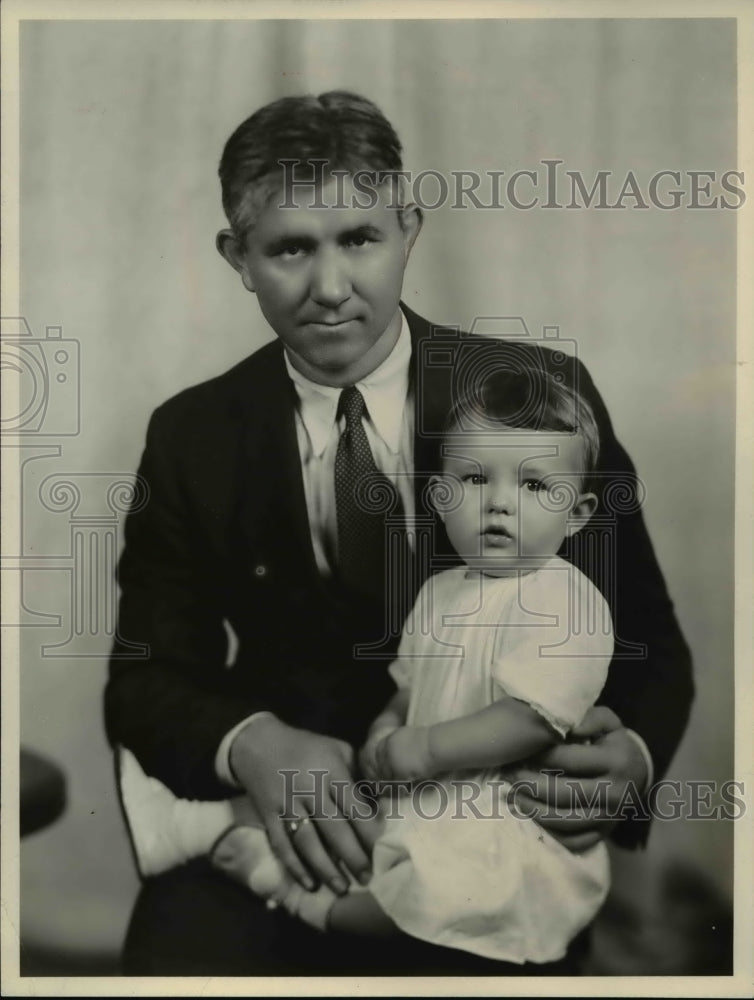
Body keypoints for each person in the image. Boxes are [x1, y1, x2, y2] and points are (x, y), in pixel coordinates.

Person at [105, 90, 693, 975]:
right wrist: (254, 742)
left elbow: (650, 641)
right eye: (291, 247)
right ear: (237, 256)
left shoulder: (536, 395)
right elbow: (143, 682)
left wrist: (634, 759)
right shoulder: (193, 435)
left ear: (410, 227)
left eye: (360, 239)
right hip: (293, 820)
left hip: (493, 828)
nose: (331, 288)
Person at [118, 368, 616, 966]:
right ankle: (241, 843)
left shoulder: (565, 600)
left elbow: (534, 716)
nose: (501, 503)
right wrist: (388, 724)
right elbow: (410, 684)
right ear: (439, 497)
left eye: (535, 485)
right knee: (378, 857)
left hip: (504, 809)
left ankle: (294, 897)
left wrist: (427, 749)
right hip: (426, 794)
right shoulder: (441, 593)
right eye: (475, 479)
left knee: (423, 899)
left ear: (581, 512)